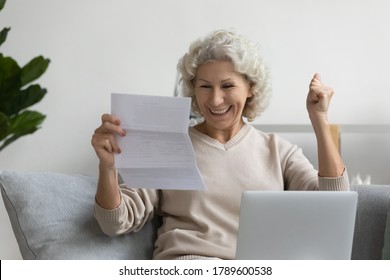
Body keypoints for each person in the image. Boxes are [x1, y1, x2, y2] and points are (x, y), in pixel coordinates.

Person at [91, 29, 349, 260]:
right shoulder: (167, 144)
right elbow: (115, 222)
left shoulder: (278, 151)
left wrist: (320, 120)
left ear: (250, 88)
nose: (215, 100)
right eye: (205, 86)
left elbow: (335, 204)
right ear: (193, 89)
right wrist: (108, 168)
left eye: (227, 85)